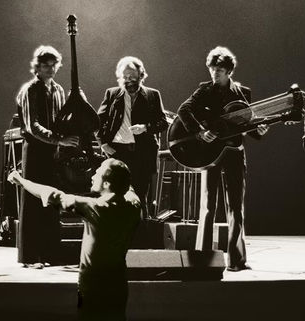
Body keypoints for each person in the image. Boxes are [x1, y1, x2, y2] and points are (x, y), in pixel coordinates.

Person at [8, 158, 140, 321]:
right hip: (118, 283)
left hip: (94, 285)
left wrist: (21, 180)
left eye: (98, 173)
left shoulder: (96, 208)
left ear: (106, 184)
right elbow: (128, 186)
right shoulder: (134, 205)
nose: (93, 175)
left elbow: (53, 195)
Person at [176, 46, 268, 272]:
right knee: (208, 205)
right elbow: (183, 110)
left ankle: (236, 260)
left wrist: (260, 131)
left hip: (235, 153)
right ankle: (203, 258)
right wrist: (199, 132)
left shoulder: (243, 93)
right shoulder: (204, 90)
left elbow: (247, 124)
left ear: (229, 71)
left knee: (236, 206)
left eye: (219, 70)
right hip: (209, 154)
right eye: (212, 69)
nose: (214, 73)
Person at [16, 45, 79, 268]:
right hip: (35, 150)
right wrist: (57, 139)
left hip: (53, 152)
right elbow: (32, 125)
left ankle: (51, 253)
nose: (51, 69)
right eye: (46, 65)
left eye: (54, 65)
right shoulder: (30, 90)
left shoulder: (59, 89)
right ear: (37, 67)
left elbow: (62, 119)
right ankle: (31, 257)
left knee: (52, 201)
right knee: (33, 202)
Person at [96, 56, 168, 219]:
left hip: (143, 154)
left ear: (141, 75)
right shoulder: (112, 94)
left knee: (140, 197)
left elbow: (163, 122)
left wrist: (145, 128)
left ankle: (141, 239)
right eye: (125, 77)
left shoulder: (152, 95)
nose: (128, 80)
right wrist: (103, 143)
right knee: (115, 196)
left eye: (132, 76)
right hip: (117, 152)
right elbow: (98, 121)